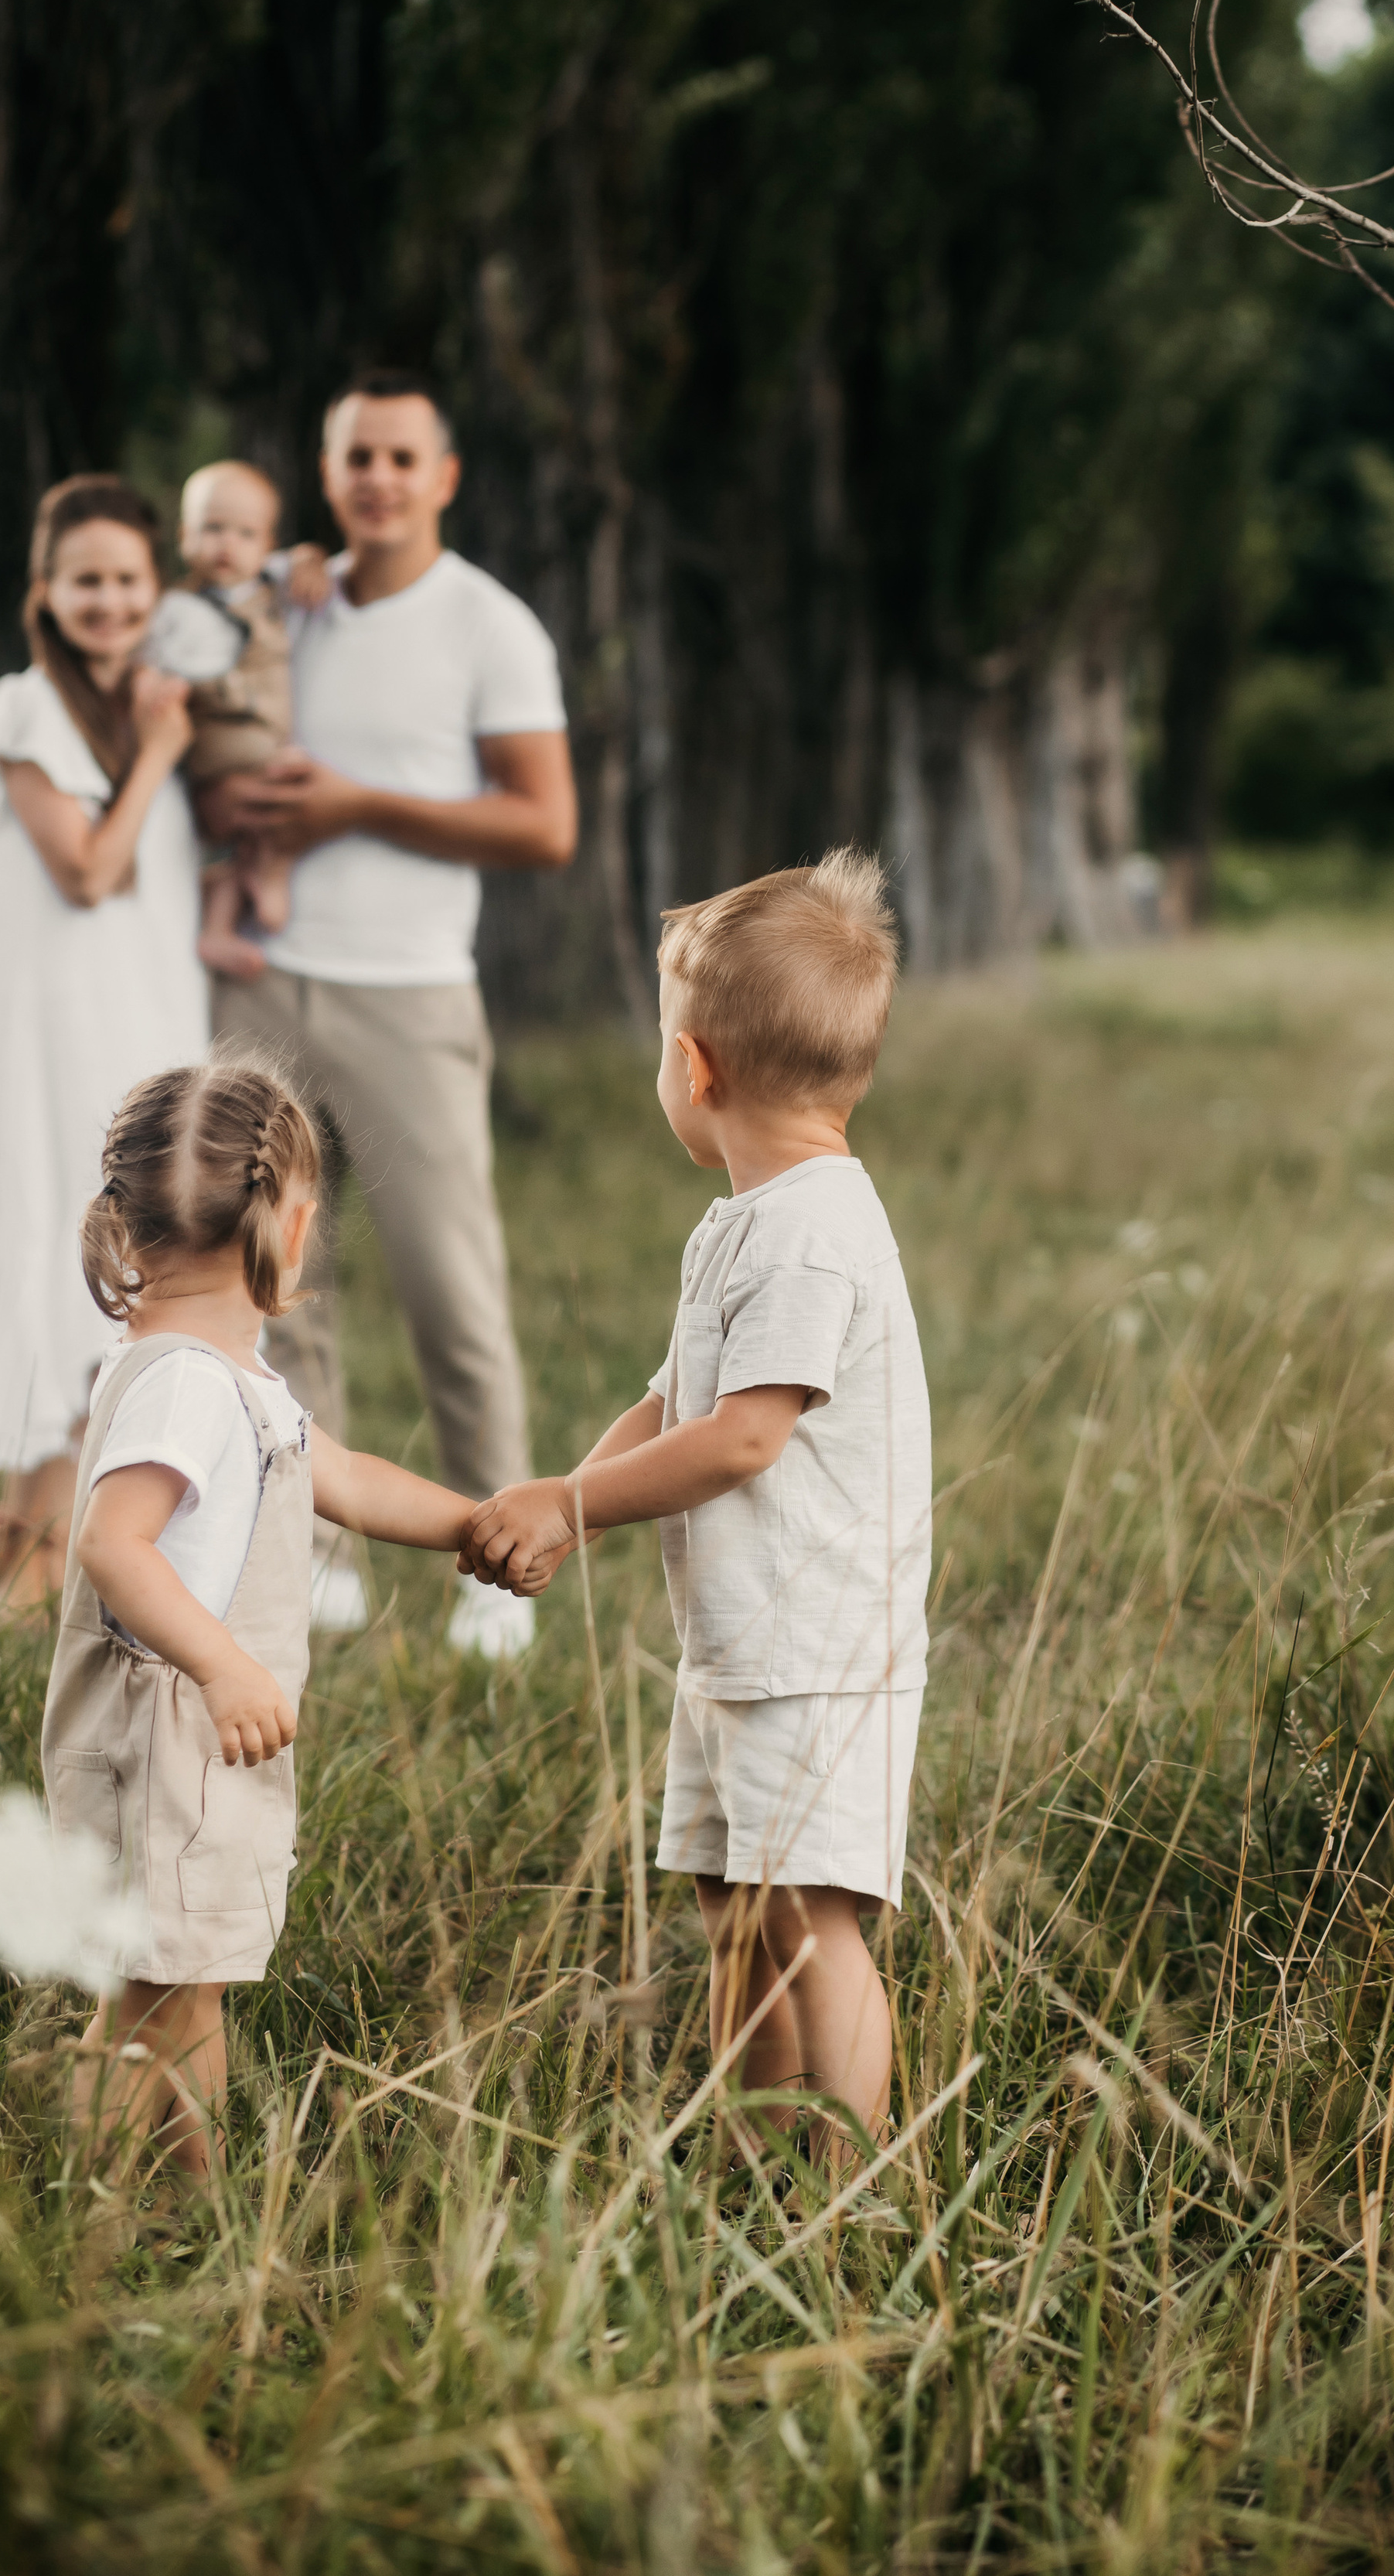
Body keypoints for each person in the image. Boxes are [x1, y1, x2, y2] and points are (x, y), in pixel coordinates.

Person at [462, 851, 932, 2164]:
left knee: (813, 1922)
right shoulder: (744, 1224)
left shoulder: (812, 1231)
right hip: (744, 1653)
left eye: (662, 1047)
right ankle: (747, 2147)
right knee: (740, 1909)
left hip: (817, 1657)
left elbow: (741, 1439)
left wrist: (572, 1501)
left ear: (700, 1067)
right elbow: (677, 1406)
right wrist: (563, 1502)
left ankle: (840, 2188)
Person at [46, 1057, 476, 2185]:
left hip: (203, 1743)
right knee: (157, 2001)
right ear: (288, 1227)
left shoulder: (234, 1376)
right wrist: (226, 1666)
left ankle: (188, 2203)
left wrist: (474, 1526)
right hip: (170, 1742)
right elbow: (110, 1543)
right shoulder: (188, 1384)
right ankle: (100, 2197)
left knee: (189, 1989)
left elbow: (350, 1481)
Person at [206, 374, 578, 1650]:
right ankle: (307, 1554)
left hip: (412, 991)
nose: (377, 476)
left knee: (449, 1289)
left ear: (444, 475)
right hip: (258, 983)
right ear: (328, 471)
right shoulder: (285, 605)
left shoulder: (491, 625)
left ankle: (501, 1564)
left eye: (400, 457)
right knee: (276, 1281)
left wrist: (356, 806)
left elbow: (545, 822)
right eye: (355, 455)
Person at [0, 475, 208, 1612]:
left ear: (156, 591)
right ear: (44, 591)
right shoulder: (24, 711)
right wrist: (159, 749)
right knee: (65, 1273)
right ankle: (23, 1572)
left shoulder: (142, 707)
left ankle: (22, 1570)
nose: (107, 601)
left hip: (146, 1043)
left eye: (127, 581)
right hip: (61, 1055)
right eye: (84, 580)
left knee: (130, 1275)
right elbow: (90, 871)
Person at [148, 459, 321, 983]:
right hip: (224, 744)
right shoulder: (176, 607)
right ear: (185, 536)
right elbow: (155, 662)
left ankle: (222, 926)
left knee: (248, 837)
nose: (228, 545)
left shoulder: (271, 583)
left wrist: (311, 559)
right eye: (212, 529)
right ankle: (270, 872)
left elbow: (304, 562)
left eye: (246, 534)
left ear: (267, 543)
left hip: (263, 737)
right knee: (291, 791)